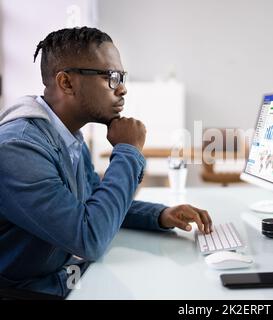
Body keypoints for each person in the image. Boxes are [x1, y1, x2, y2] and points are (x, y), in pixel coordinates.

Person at [0, 27, 212, 298]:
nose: (122, 89)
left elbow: (93, 203)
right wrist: (127, 150)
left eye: (122, 77)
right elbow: (89, 236)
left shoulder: (67, 135)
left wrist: (159, 215)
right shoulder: (18, 148)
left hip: (65, 280)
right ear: (66, 83)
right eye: (111, 77)